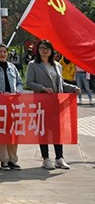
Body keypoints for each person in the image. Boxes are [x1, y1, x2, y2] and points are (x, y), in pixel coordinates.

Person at [25, 40, 80, 170]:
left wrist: (73, 88)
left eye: (48, 48)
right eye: (42, 48)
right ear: (38, 50)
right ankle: (46, 158)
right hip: (42, 103)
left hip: (56, 103)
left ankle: (59, 158)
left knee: (57, 131)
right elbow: (29, 82)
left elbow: (61, 84)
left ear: (51, 50)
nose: (45, 51)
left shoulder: (57, 65)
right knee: (44, 131)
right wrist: (43, 88)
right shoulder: (33, 65)